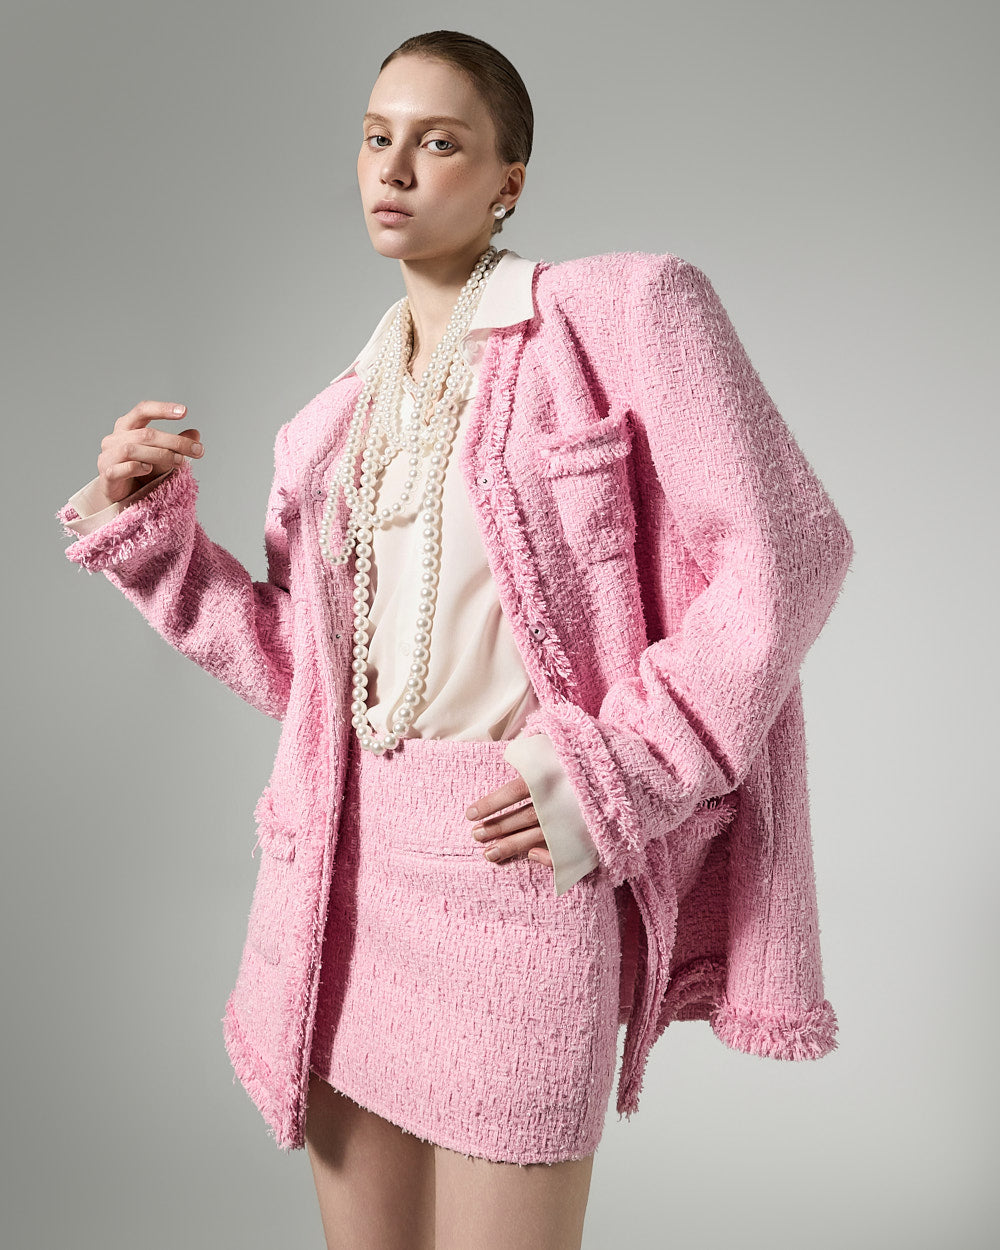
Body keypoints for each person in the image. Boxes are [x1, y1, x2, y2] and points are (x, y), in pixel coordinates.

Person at [54, 29, 854, 1250]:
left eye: (438, 142)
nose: (394, 168)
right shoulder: (328, 426)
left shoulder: (619, 315)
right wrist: (148, 531)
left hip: (516, 871)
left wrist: (624, 768)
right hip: (344, 883)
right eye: (376, 137)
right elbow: (306, 675)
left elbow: (787, 551)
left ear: (506, 181)